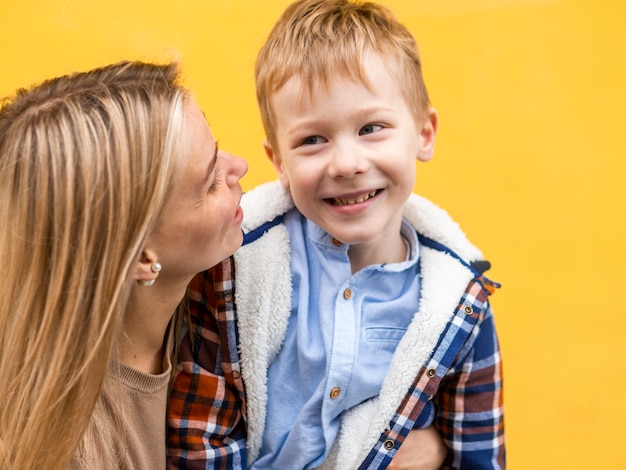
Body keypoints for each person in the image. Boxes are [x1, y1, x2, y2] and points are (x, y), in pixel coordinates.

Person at [168, 0, 505, 468]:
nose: (346, 164)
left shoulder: (460, 301)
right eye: (312, 140)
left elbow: (478, 456)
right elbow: (200, 443)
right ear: (279, 161)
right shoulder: (234, 271)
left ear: (424, 133)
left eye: (371, 128)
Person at [0, 60, 248, 469]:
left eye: (218, 146)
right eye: (210, 182)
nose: (240, 167)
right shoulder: (72, 452)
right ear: (143, 259)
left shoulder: (224, 295)